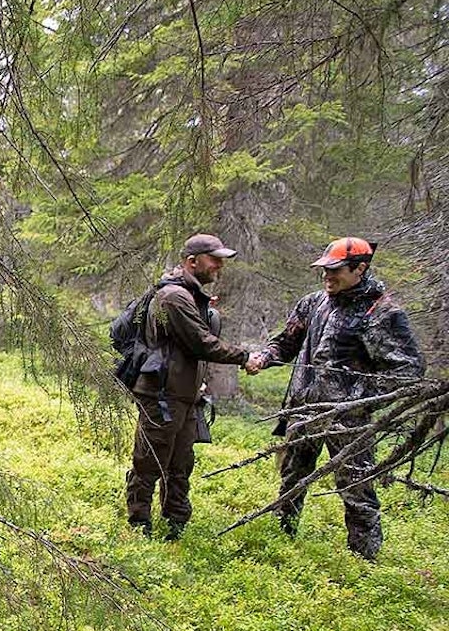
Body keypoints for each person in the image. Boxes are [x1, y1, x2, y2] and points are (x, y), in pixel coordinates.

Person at [245, 237, 424, 560]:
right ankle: (279, 545)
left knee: (357, 489)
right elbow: (286, 343)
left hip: (348, 420)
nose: (327, 276)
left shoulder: (381, 312)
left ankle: (364, 562)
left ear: (360, 268)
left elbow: (409, 370)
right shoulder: (313, 303)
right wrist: (264, 357)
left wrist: (360, 400)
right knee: (291, 479)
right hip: (303, 410)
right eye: (324, 270)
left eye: (335, 270)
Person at [126, 233, 252, 539]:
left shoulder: (190, 295)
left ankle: (175, 525)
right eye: (214, 259)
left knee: (181, 463)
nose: (219, 266)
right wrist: (245, 357)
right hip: (162, 395)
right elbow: (201, 343)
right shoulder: (173, 296)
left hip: (185, 397)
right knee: (149, 461)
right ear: (192, 262)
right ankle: (139, 524)